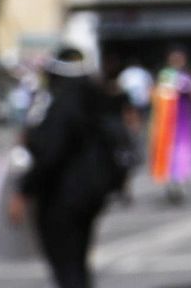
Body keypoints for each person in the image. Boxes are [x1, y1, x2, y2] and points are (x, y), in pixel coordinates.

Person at [17, 48, 128, 288]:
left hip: (63, 196)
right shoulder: (94, 97)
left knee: (67, 265)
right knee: (77, 262)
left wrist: (25, 189)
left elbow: (50, 153)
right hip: (91, 193)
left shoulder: (63, 104)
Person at [144, 50, 191, 205]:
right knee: (167, 154)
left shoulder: (187, 77)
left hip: (182, 124)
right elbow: (155, 95)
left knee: (181, 153)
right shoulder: (165, 75)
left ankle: (179, 183)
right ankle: (170, 185)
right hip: (166, 125)